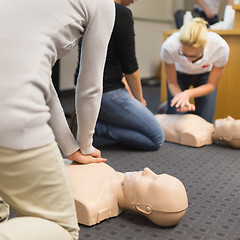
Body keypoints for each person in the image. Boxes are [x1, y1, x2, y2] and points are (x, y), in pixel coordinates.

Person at [0, 0, 115, 239]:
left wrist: (70, 147)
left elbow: (39, 77)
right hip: (10, 109)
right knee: (60, 228)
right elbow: (90, 89)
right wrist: (86, 145)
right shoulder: (102, 4)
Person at [74, 0, 165, 150]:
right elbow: (130, 67)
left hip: (84, 90)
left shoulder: (93, 7)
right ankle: (95, 128)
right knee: (156, 138)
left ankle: (89, 119)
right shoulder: (121, 12)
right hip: (108, 94)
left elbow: (110, 60)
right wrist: (139, 99)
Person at [66, 162, 188, 227]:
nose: (147, 170)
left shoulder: (91, 201)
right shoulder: (116, 175)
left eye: (151, 182)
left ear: (146, 208)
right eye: (156, 174)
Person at [160, 17, 229, 123]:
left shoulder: (220, 47)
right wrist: (181, 97)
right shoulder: (169, 46)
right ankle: (167, 108)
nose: (189, 60)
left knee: (205, 121)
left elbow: (211, 85)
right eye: (184, 54)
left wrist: (187, 94)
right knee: (177, 118)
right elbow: (172, 83)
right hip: (180, 75)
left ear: (204, 46)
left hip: (204, 76)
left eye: (195, 56)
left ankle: (171, 106)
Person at [155, 114, 240, 149]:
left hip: (150, 126)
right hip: (154, 118)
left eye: (232, 123)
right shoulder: (205, 124)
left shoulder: (196, 135)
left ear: (227, 138)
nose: (229, 117)